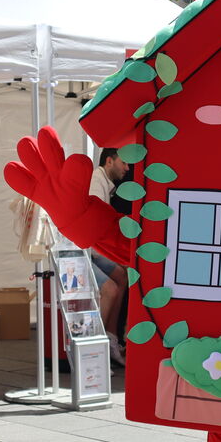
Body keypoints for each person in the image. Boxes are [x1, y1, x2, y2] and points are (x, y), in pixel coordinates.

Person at [89, 148, 130, 366]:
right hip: (84, 252)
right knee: (110, 289)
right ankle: (97, 348)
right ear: (109, 161)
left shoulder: (104, 182)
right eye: (123, 163)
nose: (127, 168)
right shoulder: (96, 183)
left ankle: (112, 338)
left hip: (93, 251)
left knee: (122, 277)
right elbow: (95, 229)